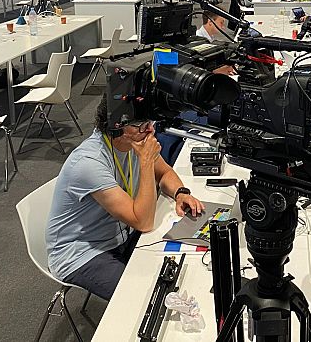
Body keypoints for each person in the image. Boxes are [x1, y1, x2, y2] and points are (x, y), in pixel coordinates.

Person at [46, 97, 206, 300]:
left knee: (182, 270)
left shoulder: (133, 143)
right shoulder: (89, 163)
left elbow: (165, 172)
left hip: (121, 235)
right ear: (116, 127)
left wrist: (181, 192)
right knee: (144, 298)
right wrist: (146, 161)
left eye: (151, 123)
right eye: (142, 126)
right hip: (81, 253)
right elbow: (143, 222)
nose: (150, 131)